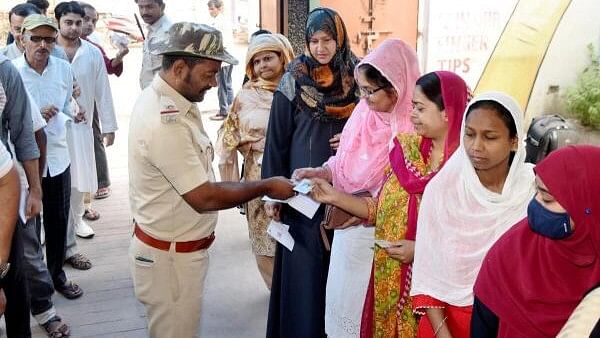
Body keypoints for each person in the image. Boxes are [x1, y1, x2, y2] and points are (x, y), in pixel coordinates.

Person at [128, 22, 294, 338]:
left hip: (174, 253)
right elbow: (204, 196)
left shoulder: (174, 100)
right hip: (171, 262)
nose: (214, 83)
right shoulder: (166, 122)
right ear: (179, 68)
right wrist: (266, 185)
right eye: (208, 74)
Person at [310, 69, 469, 337]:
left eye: (419, 108)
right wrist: (333, 196)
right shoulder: (404, 152)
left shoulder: (463, 172)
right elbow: (378, 210)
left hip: (435, 293)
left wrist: (420, 250)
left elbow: (468, 240)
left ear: (447, 112)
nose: (412, 114)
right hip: (388, 280)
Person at [294, 38, 420, 337]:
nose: (363, 98)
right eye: (360, 89)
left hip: (381, 245)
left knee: (366, 316)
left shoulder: (411, 133)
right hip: (347, 236)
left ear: (396, 87)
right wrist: (322, 170)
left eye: (370, 91)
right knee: (341, 308)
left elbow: (394, 203)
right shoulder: (364, 115)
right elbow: (345, 161)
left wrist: (338, 197)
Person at [262, 7, 359, 338]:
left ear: (339, 39)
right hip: (300, 197)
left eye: (328, 40)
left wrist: (352, 135)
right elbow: (276, 139)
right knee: (304, 277)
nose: (321, 48)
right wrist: (271, 193)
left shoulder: (358, 78)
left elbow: (377, 126)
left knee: (340, 275)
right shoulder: (292, 79)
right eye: (314, 40)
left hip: (347, 196)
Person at [410, 92, 536, 338]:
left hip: (512, 324)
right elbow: (429, 275)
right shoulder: (444, 191)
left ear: (513, 141)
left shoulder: (533, 192)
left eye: (489, 137)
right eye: (469, 134)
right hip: (448, 325)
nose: (476, 146)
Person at [471, 145, 600, 337]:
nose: (536, 203)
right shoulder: (509, 254)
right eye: (537, 191)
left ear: (587, 205)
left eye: (547, 198)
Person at [13, 14, 85, 301]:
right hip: (25, 165)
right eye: (36, 38)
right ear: (22, 40)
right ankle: (35, 287)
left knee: (57, 222)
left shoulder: (63, 69)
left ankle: (56, 275)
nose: (43, 45)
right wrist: (34, 118)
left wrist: (70, 112)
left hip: (58, 158)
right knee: (29, 229)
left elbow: (67, 101)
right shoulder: (12, 73)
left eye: (49, 39)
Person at [216, 33, 294, 289]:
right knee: (263, 239)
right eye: (257, 61)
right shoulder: (246, 95)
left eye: (269, 58)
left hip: (294, 174)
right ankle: (275, 296)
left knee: (294, 236)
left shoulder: (299, 90)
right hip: (257, 176)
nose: (263, 65)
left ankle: (294, 295)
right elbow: (228, 134)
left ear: (283, 57)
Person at [55, 1, 118, 266]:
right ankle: (54, 227)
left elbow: (103, 90)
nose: (73, 27)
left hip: (82, 127)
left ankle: (77, 218)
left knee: (81, 175)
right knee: (56, 176)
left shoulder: (92, 53)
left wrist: (109, 125)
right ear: (58, 21)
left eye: (78, 22)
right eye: (68, 22)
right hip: (52, 129)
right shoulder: (49, 49)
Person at [79, 1, 128, 211]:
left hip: (90, 103)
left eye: (93, 21)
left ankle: (100, 182)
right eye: (85, 19)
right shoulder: (54, 46)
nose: (89, 24)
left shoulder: (93, 46)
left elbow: (109, 68)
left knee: (95, 138)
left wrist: (119, 57)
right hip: (62, 109)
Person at [0, 60, 33, 338]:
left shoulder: (4, 71)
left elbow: (25, 133)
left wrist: (35, 189)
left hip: (2, 204)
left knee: (13, 280)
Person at [206, 0, 235, 121]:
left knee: (222, 86)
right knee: (227, 85)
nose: (210, 11)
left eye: (212, 9)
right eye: (209, 9)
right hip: (227, 58)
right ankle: (231, 110)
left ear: (218, 9)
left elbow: (217, 43)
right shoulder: (221, 20)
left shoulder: (219, 22)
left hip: (222, 58)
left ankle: (223, 112)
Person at [136, 0, 172, 89]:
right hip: (150, 94)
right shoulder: (152, 29)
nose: (144, 12)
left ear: (162, 7)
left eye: (149, 7)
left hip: (163, 96)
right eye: (141, 7)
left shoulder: (168, 32)